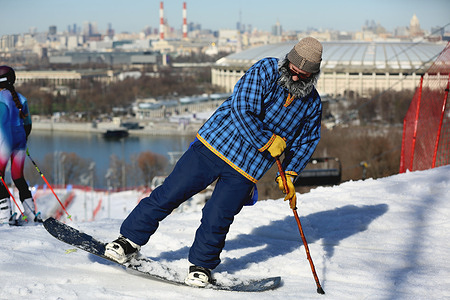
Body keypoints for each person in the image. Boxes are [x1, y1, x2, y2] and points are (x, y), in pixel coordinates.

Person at [105, 37, 323, 287]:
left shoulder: (312, 104)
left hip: (247, 167)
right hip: (215, 145)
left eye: (303, 76)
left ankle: (201, 266)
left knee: (218, 216)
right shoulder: (265, 70)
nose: (295, 79)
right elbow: (242, 109)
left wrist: (290, 173)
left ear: (313, 76)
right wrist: (267, 141)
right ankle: (128, 241)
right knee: (170, 193)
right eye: (293, 72)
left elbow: (306, 141)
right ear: (288, 62)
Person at [0, 65, 38, 224]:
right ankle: (31, 215)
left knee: (0, 177)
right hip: (20, 142)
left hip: (4, 141)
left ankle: (4, 215)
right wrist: (23, 140)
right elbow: (27, 125)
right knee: (18, 177)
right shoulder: (21, 99)